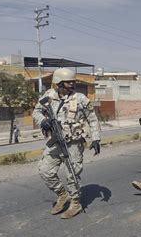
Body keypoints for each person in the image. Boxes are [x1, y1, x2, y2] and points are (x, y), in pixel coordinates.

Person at [32, 68, 101, 219]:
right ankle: (62, 195)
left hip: (74, 143)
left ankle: (75, 203)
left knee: (72, 174)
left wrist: (96, 138)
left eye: (73, 81)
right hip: (55, 141)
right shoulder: (48, 96)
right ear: (58, 83)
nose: (72, 84)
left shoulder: (80, 98)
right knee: (45, 170)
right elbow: (36, 111)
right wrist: (42, 120)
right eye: (68, 82)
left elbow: (93, 119)